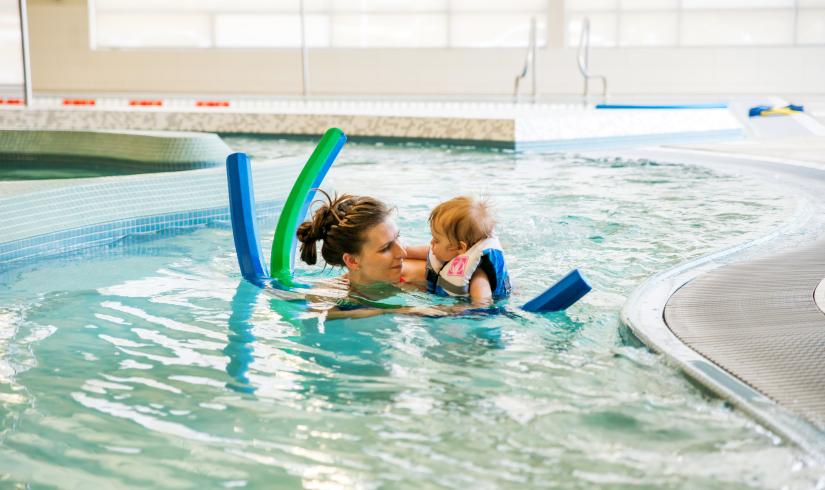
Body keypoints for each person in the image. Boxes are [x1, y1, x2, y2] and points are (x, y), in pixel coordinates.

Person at [295, 191, 436, 318]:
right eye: (386, 248)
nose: (403, 252)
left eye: (397, 237)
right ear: (352, 261)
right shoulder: (330, 294)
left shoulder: (425, 273)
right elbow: (314, 321)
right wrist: (393, 312)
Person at [424, 196, 511, 304]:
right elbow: (428, 252)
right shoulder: (453, 252)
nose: (431, 243)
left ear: (460, 247)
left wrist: (449, 311)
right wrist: (406, 250)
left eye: (436, 240)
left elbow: (483, 305)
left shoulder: (478, 275)